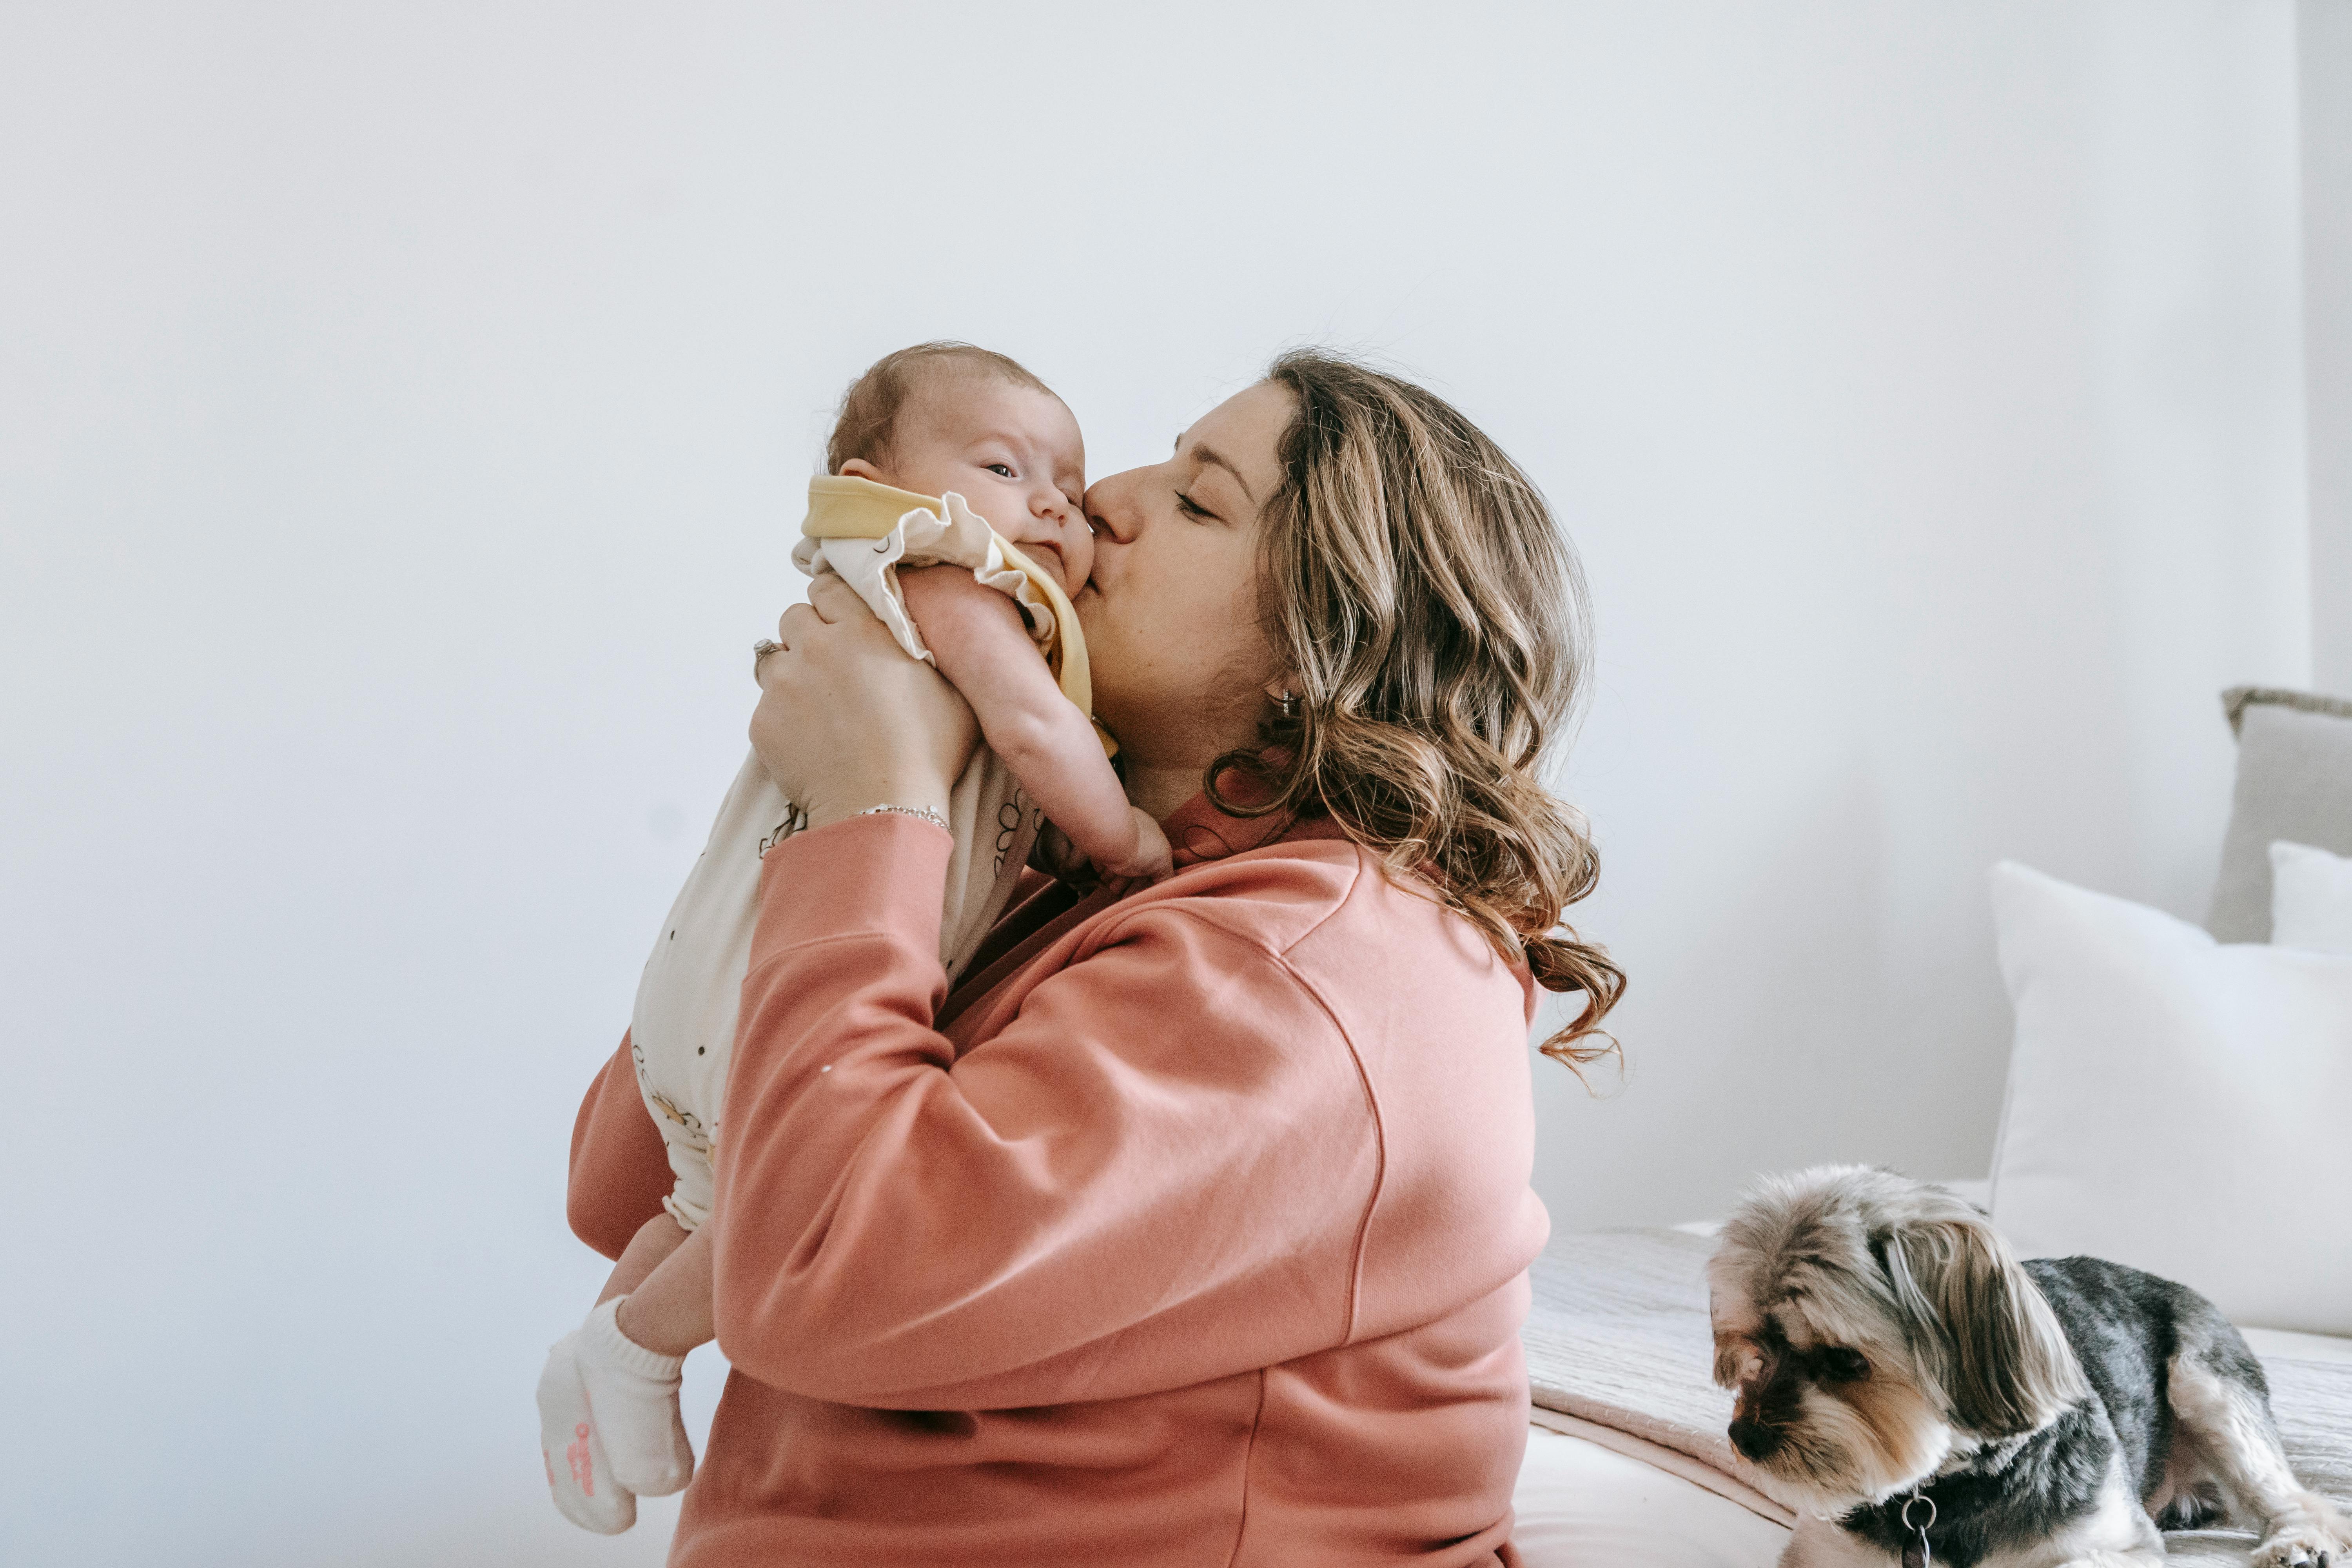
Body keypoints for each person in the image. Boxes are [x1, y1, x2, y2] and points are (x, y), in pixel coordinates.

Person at [561, 350, 1624, 1566]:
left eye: (1197, 498)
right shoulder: (1080, 875)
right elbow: (621, 1184)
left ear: (1319, 645)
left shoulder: (1314, 964)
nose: (1107, 497)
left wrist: (874, 797)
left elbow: (809, 1280)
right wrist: (813, 821)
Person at [539, 343, 1172, 1535]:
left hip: (708, 980)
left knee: (699, 1198)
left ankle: (592, 1357)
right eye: (1004, 465)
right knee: (767, 1207)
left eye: (1068, 487)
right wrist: (1126, 838)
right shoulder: (943, 576)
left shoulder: (877, 610)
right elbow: (1037, 734)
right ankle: (638, 1347)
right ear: (877, 479)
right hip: (766, 992)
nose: (1051, 504)